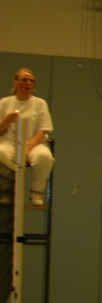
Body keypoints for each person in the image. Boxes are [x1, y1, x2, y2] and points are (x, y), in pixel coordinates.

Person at [0, 67, 55, 207]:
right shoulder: (5, 103)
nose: (28, 83)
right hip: (10, 143)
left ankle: (36, 192)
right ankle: (6, 191)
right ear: (15, 82)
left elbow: (44, 129)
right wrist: (7, 120)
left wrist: (28, 147)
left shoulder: (40, 103)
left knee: (45, 157)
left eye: (31, 81)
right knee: (1, 153)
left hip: (34, 143)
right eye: (24, 80)